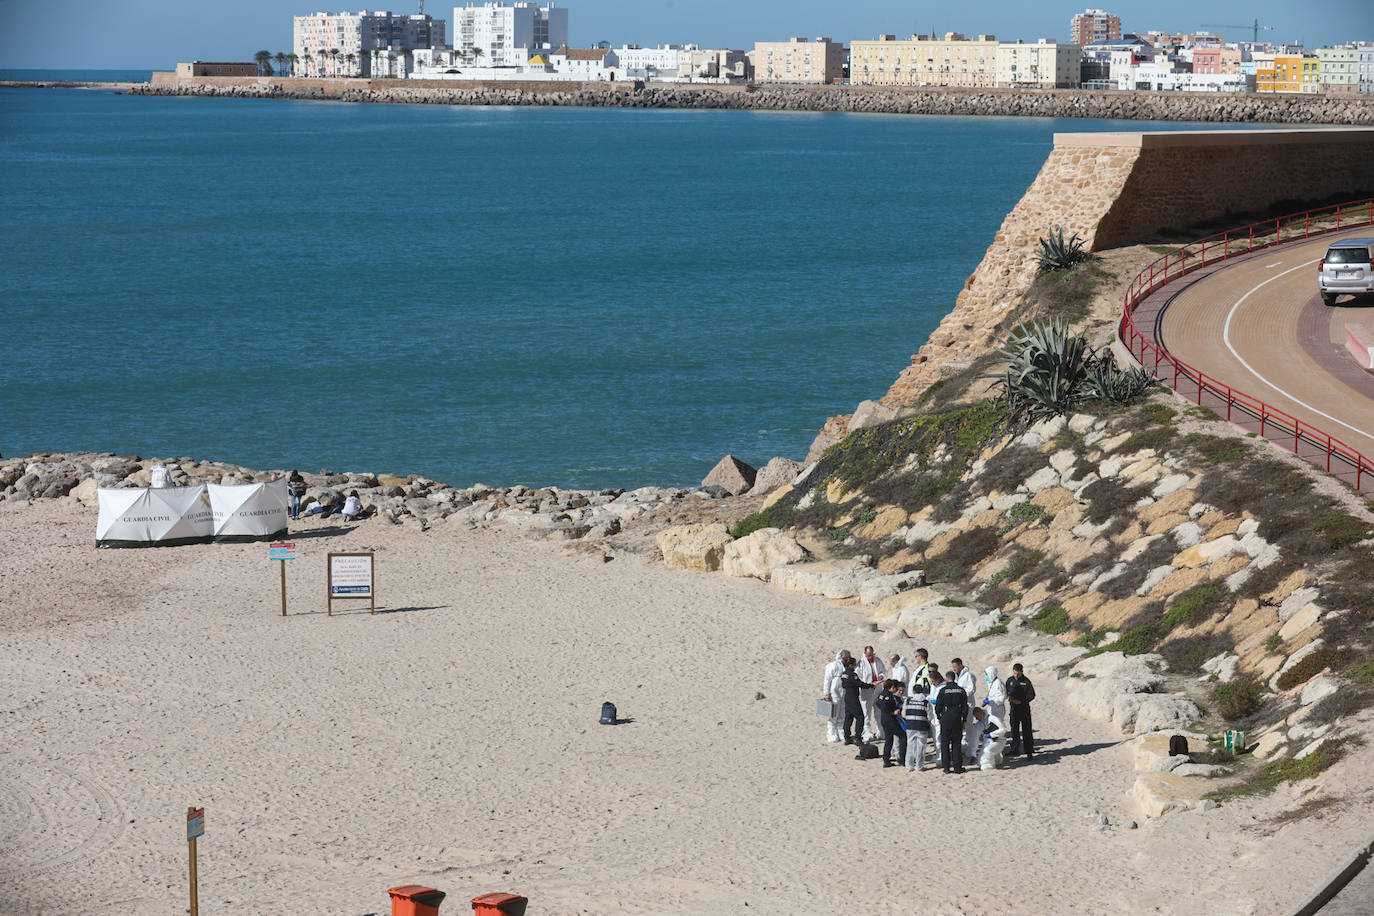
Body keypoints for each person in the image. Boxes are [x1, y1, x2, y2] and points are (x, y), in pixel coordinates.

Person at [933, 671, 969, 774]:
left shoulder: (943, 690)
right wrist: (964, 719)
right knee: (956, 742)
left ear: (947, 678)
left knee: (945, 743)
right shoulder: (961, 690)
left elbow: (938, 706)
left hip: (946, 716)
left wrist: (939, 716)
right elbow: (965, 707)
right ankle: (957, 767)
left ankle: (946, 767)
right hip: (957, 717)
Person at [899, 681, 932, 772]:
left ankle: (909, 766)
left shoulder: (908, 701)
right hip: (922, 726)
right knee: (921, 747)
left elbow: (904, 714)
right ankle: (919, 766)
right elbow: (929, 716)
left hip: (910, 725)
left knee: (910, 745)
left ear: (913, 691)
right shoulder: (926, 702)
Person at [1006, 663, 1036, 759]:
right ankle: (1015, 749)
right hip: (1013, 709)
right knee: (1014, 730)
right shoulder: (1010, 680)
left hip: (1024, 709)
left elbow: (1032, 695)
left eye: (1018, 674)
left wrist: (1021, 701)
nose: (1016, 676)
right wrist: (1009, 697)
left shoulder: (1026, 681)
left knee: (1026, 730)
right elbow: (1006, 691)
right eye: (1014, 673)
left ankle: (1029, 751)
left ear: (1022, 672)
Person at [857, 646, 886, 741]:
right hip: (867, 691)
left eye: (871, 655)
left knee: (878, 711)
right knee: (866, 712)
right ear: (865, 653)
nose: (870, 657)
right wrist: (868, 684)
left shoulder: (877, 660)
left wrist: (881, 676)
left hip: (877, 688)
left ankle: (880, 731)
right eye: (868, 655)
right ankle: (867, 731)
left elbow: (883, 671)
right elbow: (859, 677)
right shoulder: (861, 663)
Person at [821, 650, 850, 743]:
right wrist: (826, 693)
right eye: (846, 658)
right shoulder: (833, 665)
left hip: (844, 692)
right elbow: (827, 680)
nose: (848, 659)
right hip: (834, 692)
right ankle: (831, 733)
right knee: (833, 712)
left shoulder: (847, 667)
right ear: (842, 657)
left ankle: (841, 731)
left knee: (842, 712)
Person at [876, 679, 906, 768]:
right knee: (902, 736)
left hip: (884, 719)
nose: (896, 690)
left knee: (889, 740)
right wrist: (892, 712)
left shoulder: (882, 693)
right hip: (890, 719)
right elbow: (885, 706)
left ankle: (886, 759)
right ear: (892, 687)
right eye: (895, 688)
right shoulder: (888, 695)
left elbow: (878, 704)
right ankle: (902, 758)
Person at [837, 656, 867, 746]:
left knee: (848, 717)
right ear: (850, 665)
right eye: (854, 665)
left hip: (847, 697)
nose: (855, 666)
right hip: (853, 697)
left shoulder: (843, 674)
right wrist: (870, 685)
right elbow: (860, 684)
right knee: (860, 717)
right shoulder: (852, 675)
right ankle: (858, 737)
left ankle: (847, 737)